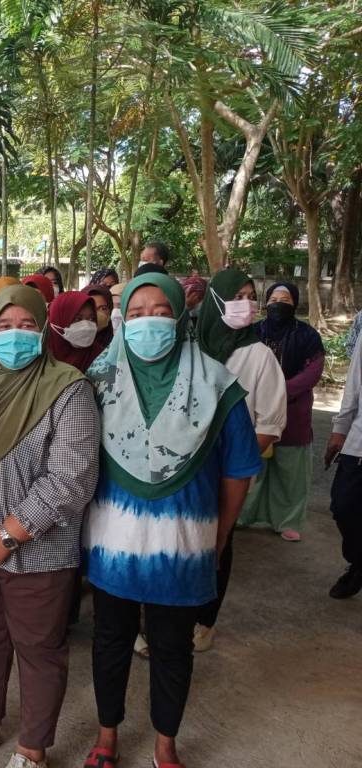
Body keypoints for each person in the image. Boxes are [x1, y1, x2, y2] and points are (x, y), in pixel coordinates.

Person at [82, 273, 261, 768]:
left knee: (172, 647)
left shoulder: (218, 385)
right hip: (112, 544)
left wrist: (219, 536)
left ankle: (165, 744)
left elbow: (239, 470)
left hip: (183, 544)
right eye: (137, 314)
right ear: (122, 321)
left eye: (162, 313)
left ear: (182, 318)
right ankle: (106, 736)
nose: (149, 324)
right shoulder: (98, 380)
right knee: (110, 640)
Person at [0, 285, 100, 768]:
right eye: (4, 326)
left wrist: (10, 533)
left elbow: (71, 476)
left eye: (26, 325)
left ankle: (31, 749)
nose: (15, 335)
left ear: (43, 328)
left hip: (38, 550)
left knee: (38, 647)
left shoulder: (67, 387)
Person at [191, 268, 286, 651]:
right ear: (215, 301)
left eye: (251, 296)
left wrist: (231, 461)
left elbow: (270, 424)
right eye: (237, 296)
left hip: (227, 471)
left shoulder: (259, 356)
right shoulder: (192, 349)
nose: (246, 304)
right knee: (184, 539)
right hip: (185, 470)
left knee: (219, 541)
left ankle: (205, 620)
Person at [238, 283, 324, 540]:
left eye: (285, 300)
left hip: (293, 411)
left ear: (295, 303)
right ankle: (242, 515)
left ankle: (288, 520)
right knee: (253, 465)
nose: (278, 303)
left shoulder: (308, 335)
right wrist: (262, 393)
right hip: (256, 410)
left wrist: (277, 391)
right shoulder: (253, 332)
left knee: (291, 471)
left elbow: (312, 372)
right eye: (273, 299)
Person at [326, 337, 362, 599]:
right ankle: (359, 561)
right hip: (359, 442)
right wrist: (340, 429)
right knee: (343, 506)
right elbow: (354, 384)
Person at [47, 291, 106, 373]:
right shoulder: (39, 356)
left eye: (91, 319)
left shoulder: (102, 358)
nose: (86, 326)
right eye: (78, 319)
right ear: (58, 320)